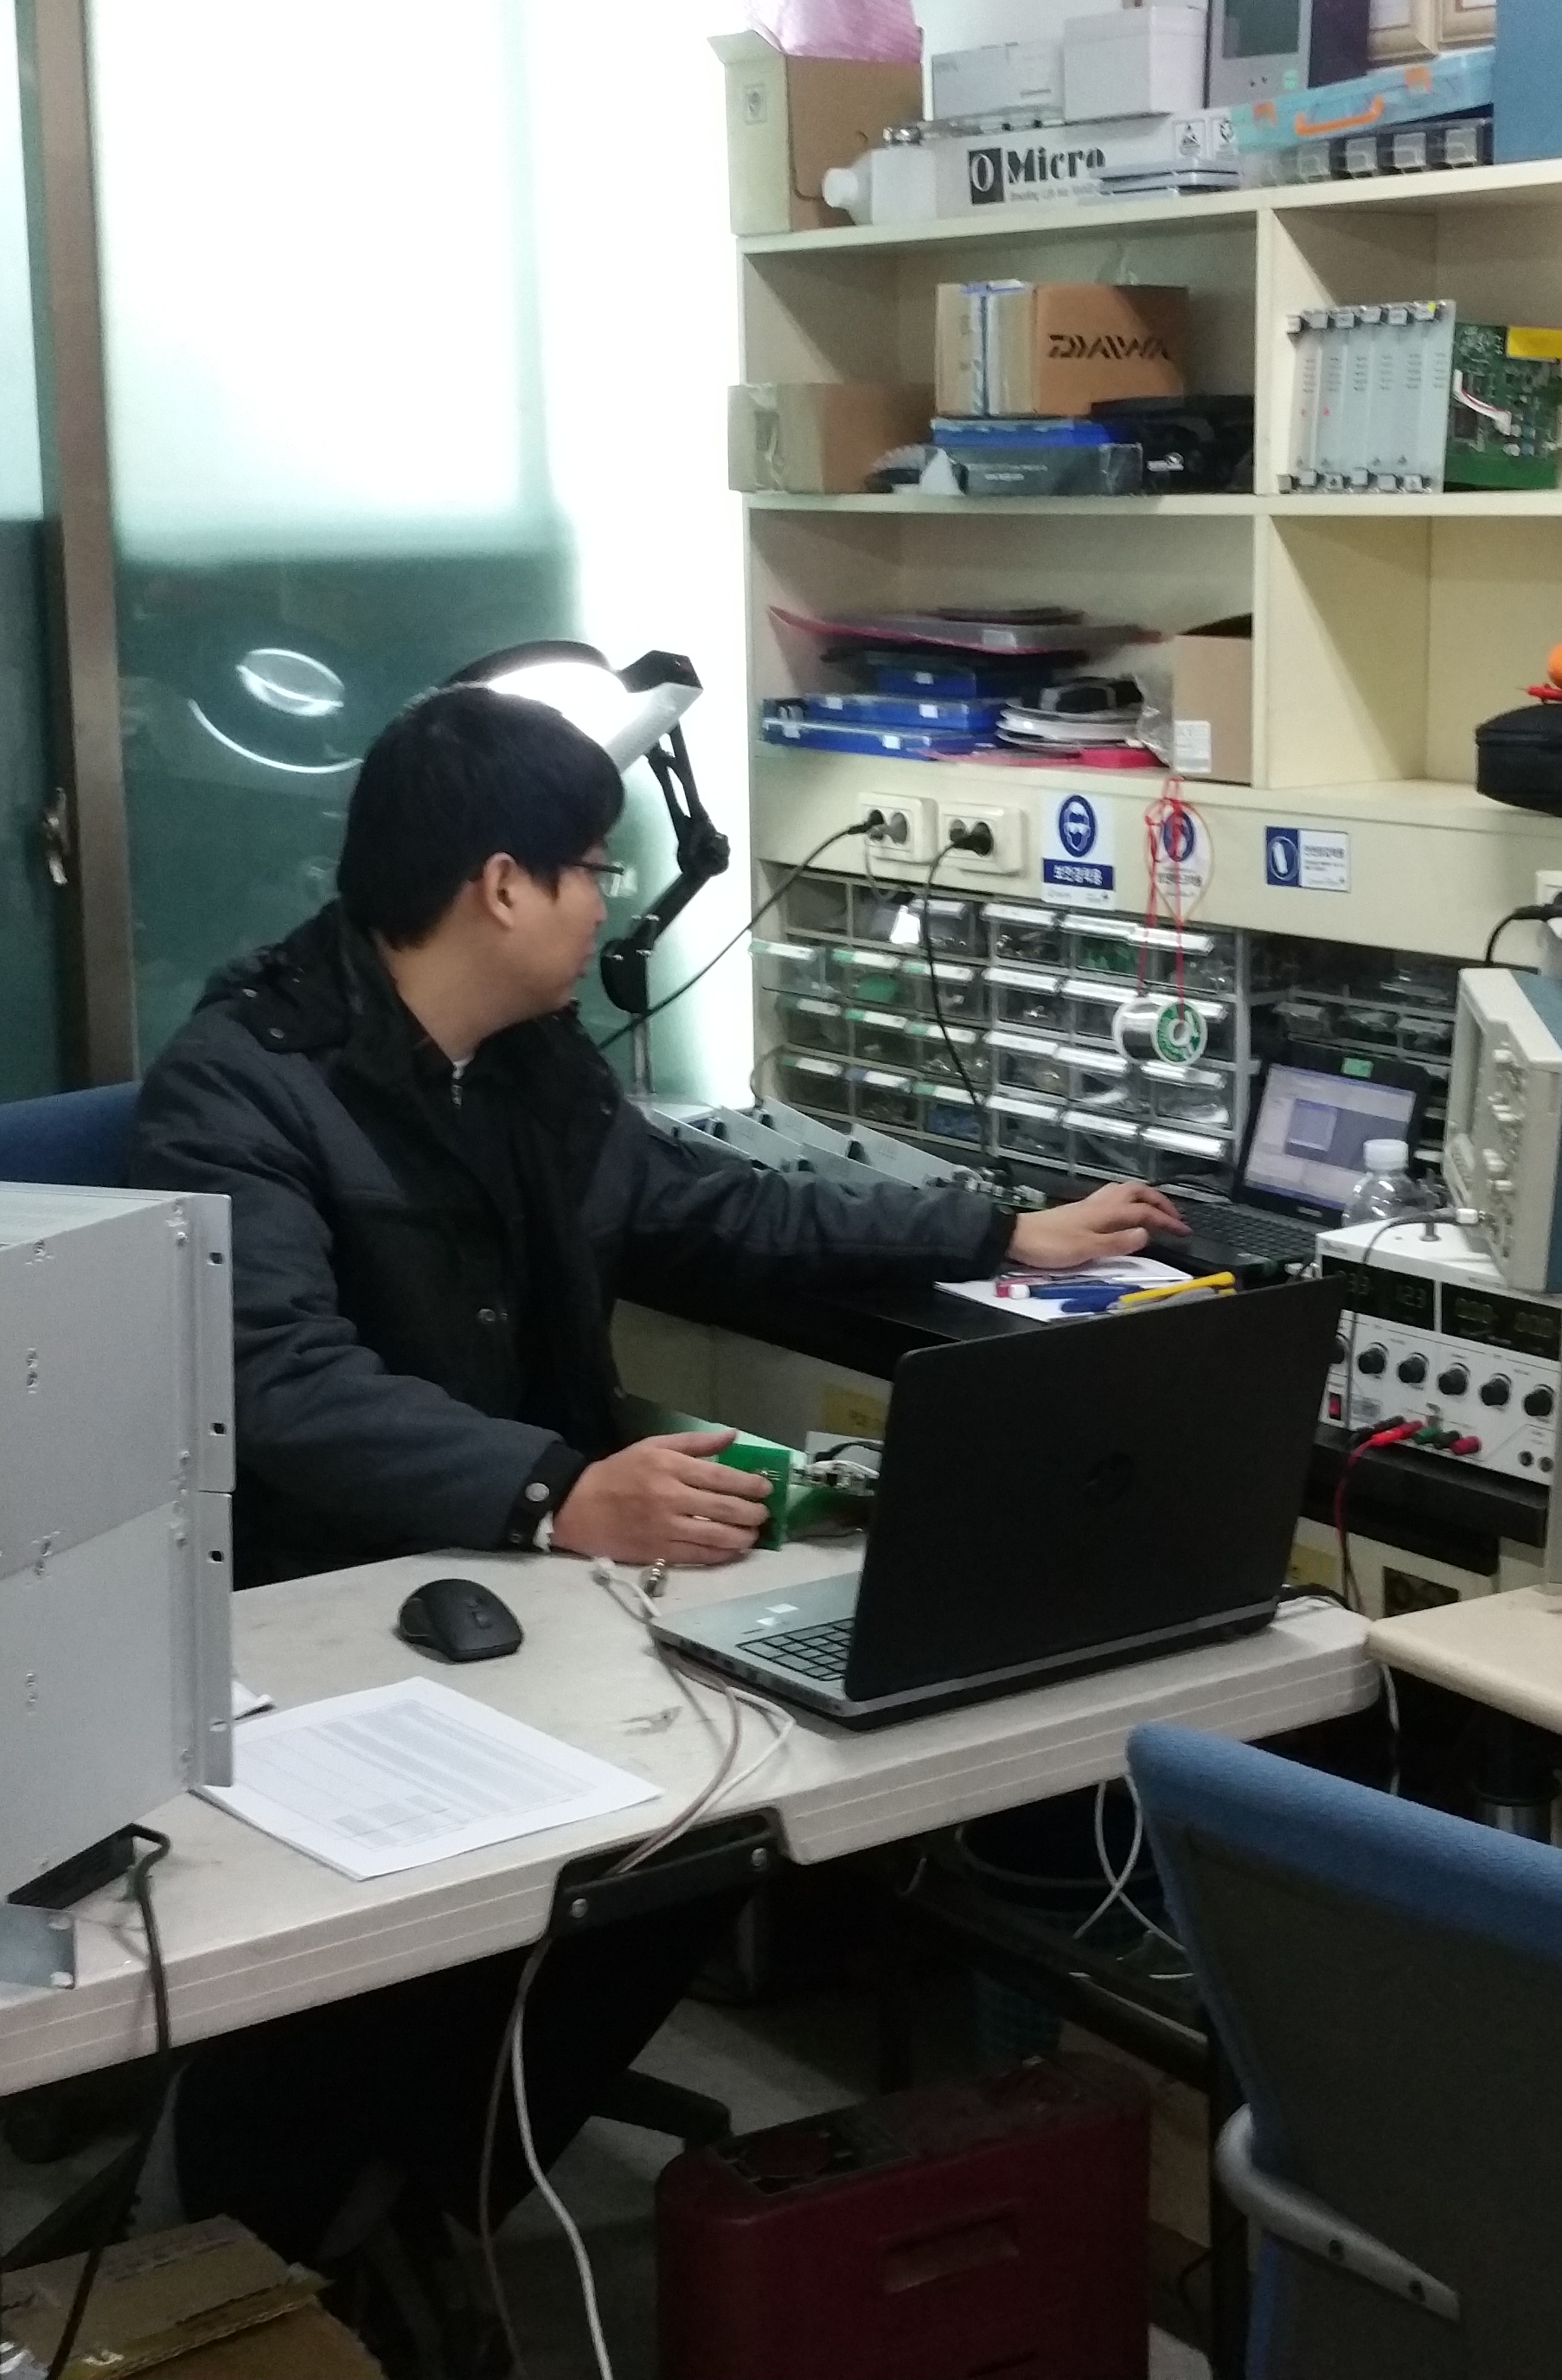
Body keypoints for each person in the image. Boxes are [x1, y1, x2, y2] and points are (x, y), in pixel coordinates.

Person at [130, 682, 1178, 2360]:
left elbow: (712, 1206)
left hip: (530, 1574)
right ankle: (267, 2218)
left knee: (722, 1826)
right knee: (459, 1897)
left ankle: (447, 2181)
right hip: (322, 1594)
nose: (607, 901)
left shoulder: (530, 1068)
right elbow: (282, 1384)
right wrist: (556, 1490)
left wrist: (998, 1229)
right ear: (501, 887)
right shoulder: (239, 1084)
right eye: (592, 870)